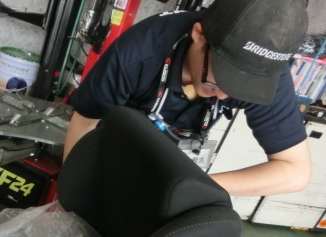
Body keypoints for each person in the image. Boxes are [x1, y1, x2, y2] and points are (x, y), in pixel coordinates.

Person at [64, 0, 311, 197]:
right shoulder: (139, 51)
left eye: (241, 89)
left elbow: (295, 171)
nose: (224, 95)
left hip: (175, 166)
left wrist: (188, 187)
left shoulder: (266, 72)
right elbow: (85, 122)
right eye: (218, 82)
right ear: (199, 35)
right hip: (112, 148)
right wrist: (71, 195)